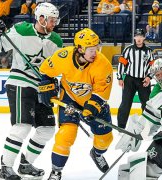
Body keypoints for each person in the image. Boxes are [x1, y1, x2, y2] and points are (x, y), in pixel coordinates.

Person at [0, 2, 62, 179]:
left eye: (55, 20)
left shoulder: (56, 40)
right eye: (51, 20)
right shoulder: (21, 30)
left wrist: (53, 82)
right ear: (41, 18)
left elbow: (58, 67)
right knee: (22, 126)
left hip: (41, 88)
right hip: (20, 82)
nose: (54, 24)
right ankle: (6, 167)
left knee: (47, 129)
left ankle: (26, 164)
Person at [38, 28, 113, 179]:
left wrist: (91, 107)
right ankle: (56, 171)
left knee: (105, 140)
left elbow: (101, 91)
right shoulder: (63, 56)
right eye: (91, 50)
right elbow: (46, 70)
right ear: (79, 48)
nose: (95, 53)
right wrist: (47, 85)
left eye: (96, 49)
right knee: (65, 135)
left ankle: (97, 154)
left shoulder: (103, 64)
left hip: (94, 102)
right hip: (69, 99)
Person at [117, 28, 154, 129]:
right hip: (130, 80)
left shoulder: (149, 51)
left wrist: (149, 77)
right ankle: (121, 126)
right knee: (125, 103)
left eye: (141, 36)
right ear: (134, 37)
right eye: (137, 36)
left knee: (146, 104)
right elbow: (121, 63)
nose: (138, 38)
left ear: (144, 38)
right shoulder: (128, 50)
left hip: (144, 81)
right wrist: (120, 77)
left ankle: (147, 126)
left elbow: (153, 66)